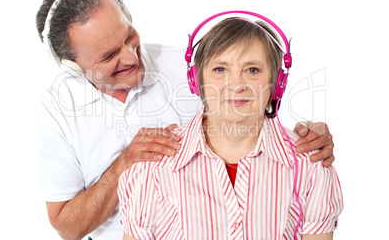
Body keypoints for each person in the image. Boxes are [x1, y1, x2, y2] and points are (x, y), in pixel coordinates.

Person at [35, 0, 336, 240]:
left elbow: (251, 105)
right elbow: (67, 228)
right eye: (109, 55)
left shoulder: (192, 64)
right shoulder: (57, 107)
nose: (130, 57)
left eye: (129, 36)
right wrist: (125, 163)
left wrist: (308, 136)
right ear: (73, 67)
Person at [118, 17, 343, 239]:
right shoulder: (152, 166)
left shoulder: (310, 164)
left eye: (252, 70)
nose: (236, 85)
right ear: (196, 81)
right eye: (220, 69)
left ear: (277, 84)